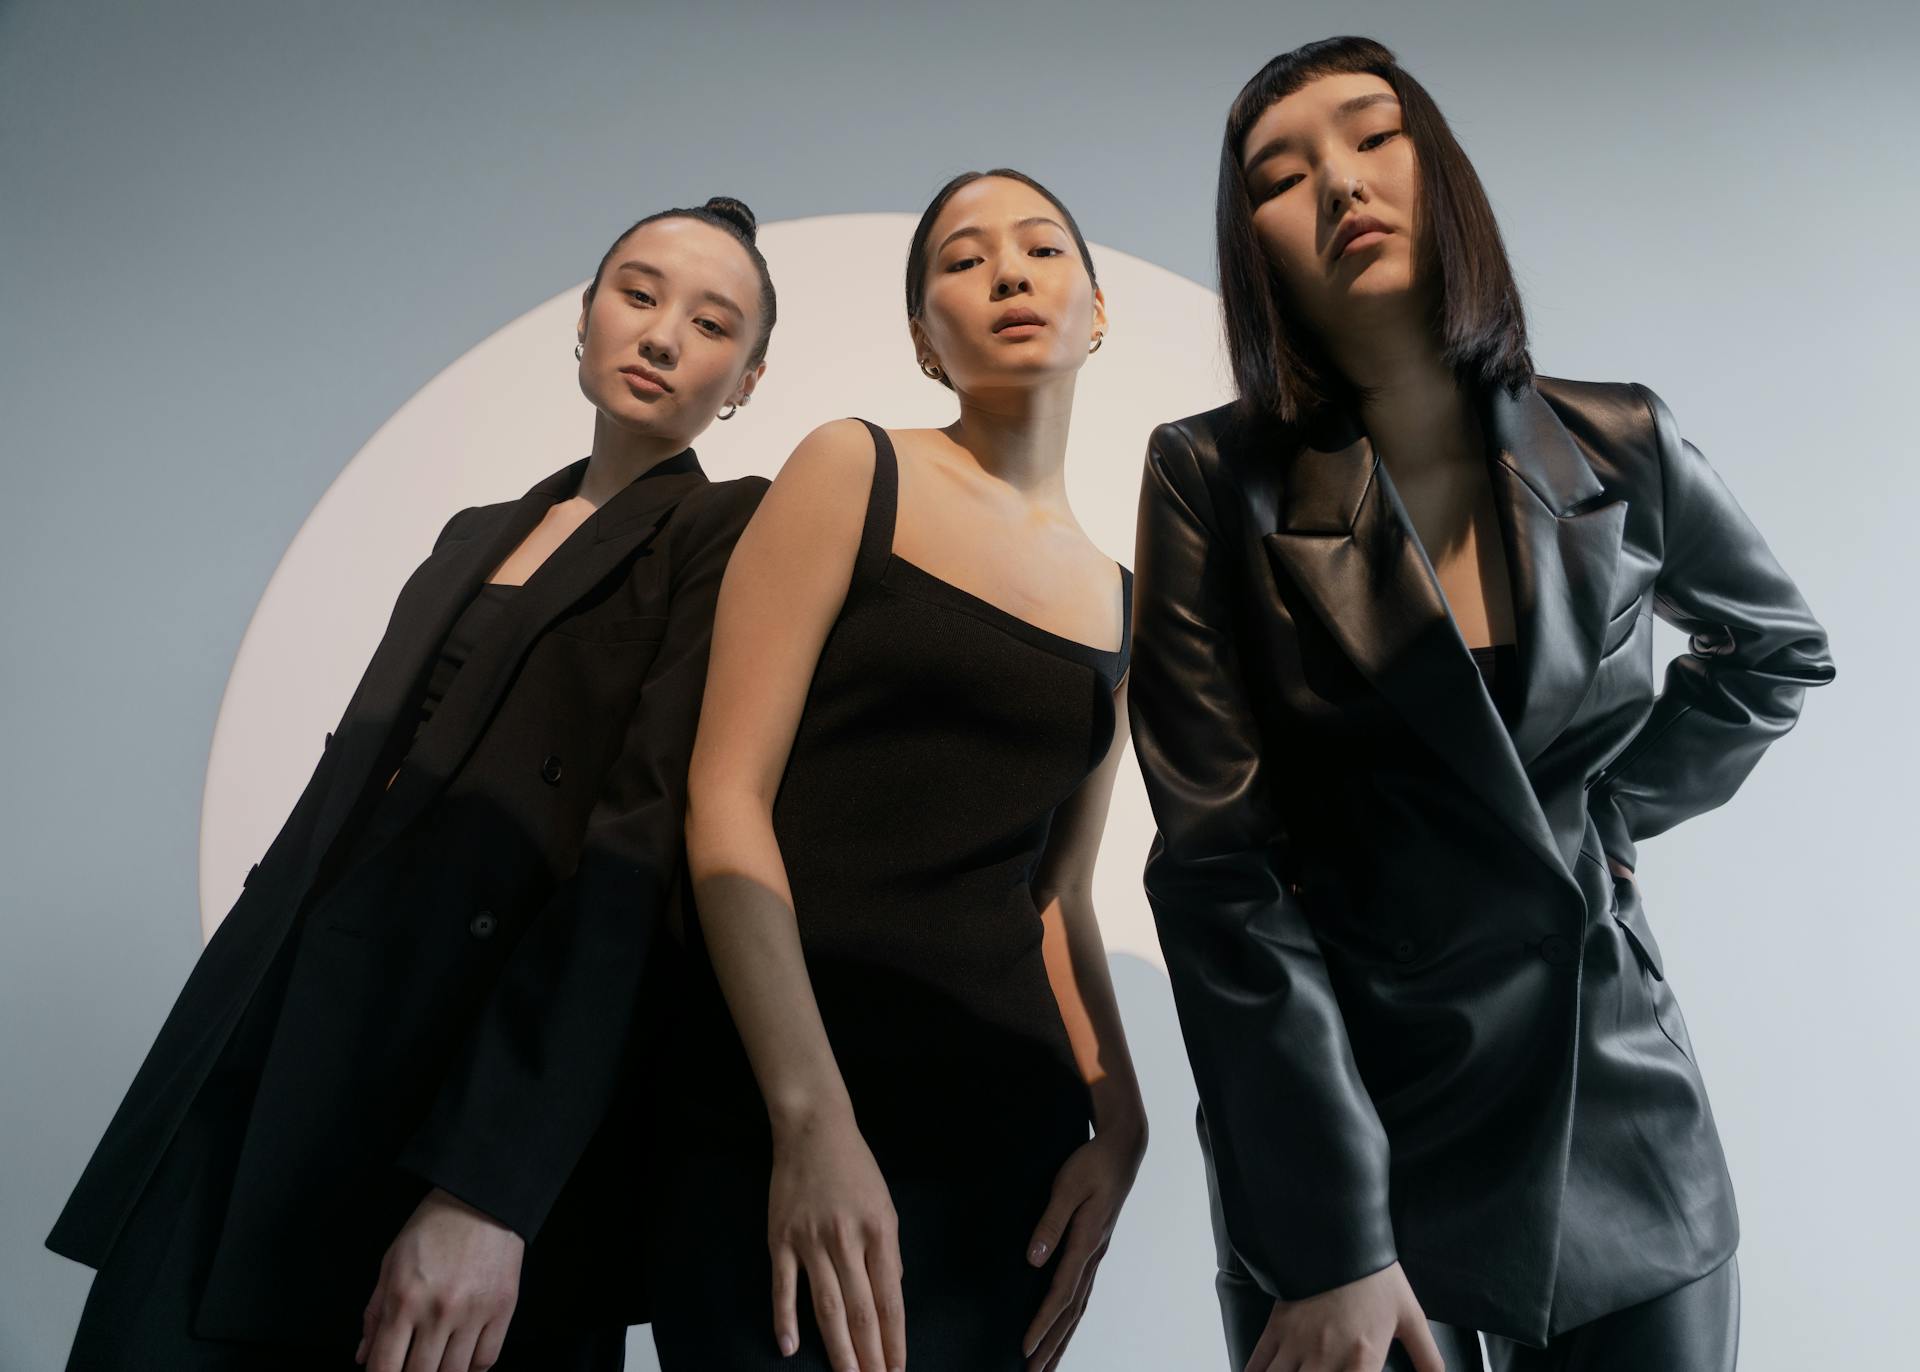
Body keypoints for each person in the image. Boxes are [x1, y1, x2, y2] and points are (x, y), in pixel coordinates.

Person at [1128, 37, 1836, 1372]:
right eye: (1283, 173)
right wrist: (1333, 1233)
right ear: (1253, 246)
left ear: (1436, 169)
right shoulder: (1210, 481)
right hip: (1353, 1129)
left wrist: (1607, 814)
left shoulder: (1620, 439)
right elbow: (1218, 872)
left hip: (1616, 1119)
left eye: (1372, 136)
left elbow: (1777, 650)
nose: (1339, 183)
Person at [45, 197, 777, 1372]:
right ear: (582, 318)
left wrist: (492, 1183)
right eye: (636, 294)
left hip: (453, 1080)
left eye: (710, 322)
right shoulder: (469, 532)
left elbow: (633, 870)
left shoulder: (727, 532)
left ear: (743, 378)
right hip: (269, 1038)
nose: (660, 335)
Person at [646, 169, 1147, 1372]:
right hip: (780, 1108)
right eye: (964, 261)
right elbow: (725, 799)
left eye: (1039, 249)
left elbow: (1057, 895)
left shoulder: (1125, 600)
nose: (1010, 274)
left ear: (1095, 307)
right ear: (925, 336)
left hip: (1008, 1157)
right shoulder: (852, 468)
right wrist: (810, 1118)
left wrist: (1123, 1125)